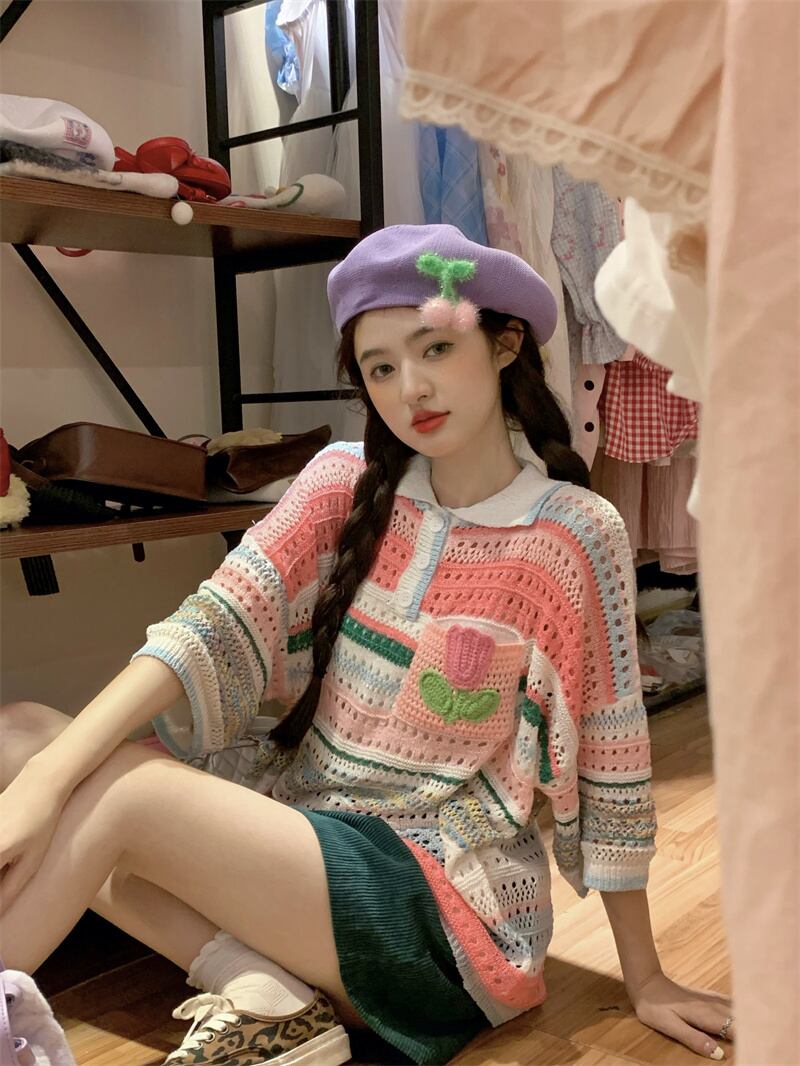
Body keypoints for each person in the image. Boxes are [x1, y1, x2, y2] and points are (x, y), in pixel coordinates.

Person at [0, 224, 734, 1066]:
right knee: (20, 735)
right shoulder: (340, 482)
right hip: (304, 840)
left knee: (120, 797)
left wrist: (646, 976)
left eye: (435, 348)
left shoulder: (573, 533)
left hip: (440, 909)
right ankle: (262, 988)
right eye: (380, 367)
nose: (410, 387)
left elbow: (611, 756)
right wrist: (43, 782)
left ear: (504, 344)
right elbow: (210, 624)